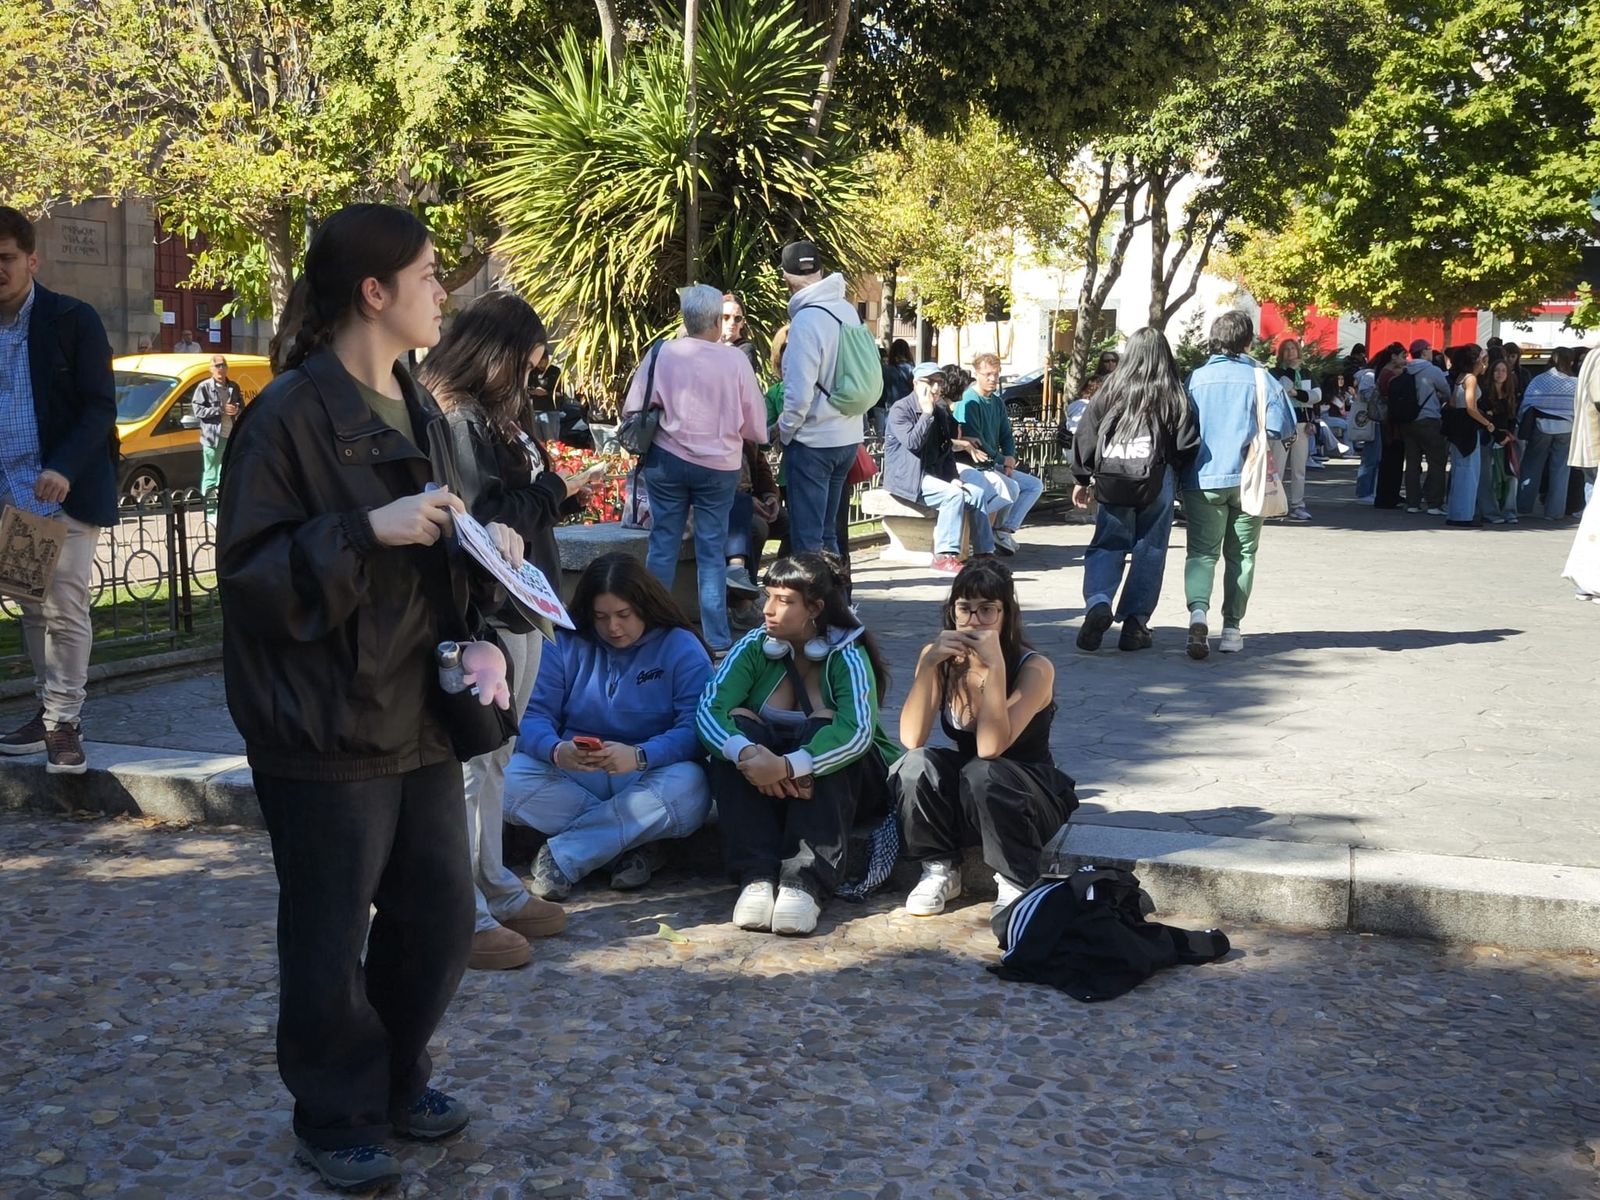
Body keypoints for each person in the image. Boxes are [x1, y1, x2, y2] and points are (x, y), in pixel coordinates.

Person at [216, 204, 530, 1191]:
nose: (446, 291)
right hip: (323, 722)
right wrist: (366, 530)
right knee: (326, 926)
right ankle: (334, 1109)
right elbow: (253, 575)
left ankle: (397, 1077)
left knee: (439, 915)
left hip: (418, 708)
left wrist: (488, 546)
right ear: (374, 292)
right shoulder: (286, 418)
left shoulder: (417, 401)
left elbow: (428, 541)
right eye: (432, 274)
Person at [419, 291, 607, 972]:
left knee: (495, 756)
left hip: (524, 603)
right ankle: (461, 902)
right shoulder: (462, 418)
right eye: (529, 365)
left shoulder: (495, 416)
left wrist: (555, 491)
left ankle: (492, 882)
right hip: (492, 608)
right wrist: (556, 490)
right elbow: (488, 517)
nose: (536, 377)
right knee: (475, 759)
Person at [698, 552, 900, 936]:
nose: (768, 610)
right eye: (768, 596)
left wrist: (791, 766)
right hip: (768, 786)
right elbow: (710, 709)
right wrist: (747, 754)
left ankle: (804, 882)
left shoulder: (848, 655)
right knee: (738, 726)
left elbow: (856, 733)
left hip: (850, 786)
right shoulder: (754, 647)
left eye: (784, 601)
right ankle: (756, 877)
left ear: (815, 608)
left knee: (825, 723)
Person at [504, 552, 714, 898]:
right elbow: (531, 715)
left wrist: (641, 755)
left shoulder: (680, 645)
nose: (613, 628)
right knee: (509, 776)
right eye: (601, 617)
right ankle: (628, 845)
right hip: (575, 771)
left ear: (646, 606)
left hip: (647, 772)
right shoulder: (564, 643)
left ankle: (563, 854)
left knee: (692, 784)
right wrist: (556, 750)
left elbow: (698, 727)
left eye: (623, 615)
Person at [0, 206, 117, 775]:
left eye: (5, 259)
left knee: (64, 605)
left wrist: (66, 467)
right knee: (31, 607)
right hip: (8, 491)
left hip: (59, 491)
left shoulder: (72, 319)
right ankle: (47, 711)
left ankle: (64, 724)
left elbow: (99, 408)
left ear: (31, 260)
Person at [891, 559, 1077, 917]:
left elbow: (991, 747)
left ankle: (1014, 879)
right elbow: (911, 738)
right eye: (965, 609)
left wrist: (994, 669)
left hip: (1027, 793)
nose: (974, 621)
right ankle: (938, 868)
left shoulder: (1035, 669)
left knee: (984, 769)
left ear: (1007, 614)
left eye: (987, 610)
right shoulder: (938, 659)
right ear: (952, 612)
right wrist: (930, 665)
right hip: (972, 789)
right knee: (915, 765)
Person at [623, 283, 767, 653]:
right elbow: (755, 423)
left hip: (667, 461)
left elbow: (635, 404)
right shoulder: (735, 360)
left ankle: (650, 628)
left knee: (663, 544)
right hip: (719, 466)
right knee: (711, 550)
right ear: (717, 322)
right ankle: (717, 638)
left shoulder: (663, 353)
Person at [1070, 327, 1200, 651]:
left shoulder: (1111, 387)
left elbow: (1086, 432)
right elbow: (1187, 442)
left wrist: (1082, 478)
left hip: (1114, 478)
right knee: (1150, 549)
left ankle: (1099, 602)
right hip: (1158, 478)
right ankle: (1135, 624)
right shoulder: (1174, 391)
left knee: (1107, 543)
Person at [1180, 310, 1295, 659]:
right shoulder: (1261, 379)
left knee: (1202, 552)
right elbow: (1283, 426)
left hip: (1203, 478)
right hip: (1250, 478)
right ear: (1247, 341)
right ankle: (1231, 629)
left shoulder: (1197, 379)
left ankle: (1198, 613)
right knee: (1242, 554)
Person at [776, 239, 867, 554]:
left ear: (786, 278)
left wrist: (785, 432)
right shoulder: (847, 311)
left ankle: (813, 602)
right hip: (848, 438)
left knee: (808, 541)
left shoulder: (805, 320)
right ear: (821, 270)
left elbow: (799, 393)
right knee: (830, 536)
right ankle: (837, 602)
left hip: (814, 441)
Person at [883, 361, 1000, 572]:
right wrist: (926, 414)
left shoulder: (940, 412)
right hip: (908, 479)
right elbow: (913, 444)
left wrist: (953, 477)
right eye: (930, 382)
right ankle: (944, 556)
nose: (936, 388)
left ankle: (984, 553)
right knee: (953, 496)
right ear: (916, 383)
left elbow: (945, 451)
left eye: (939, 382)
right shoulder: (901, 409)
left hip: (932, 476)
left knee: (976, 493)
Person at [955, 351, 1044, 554]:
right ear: (976, 373)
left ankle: (1003, 530)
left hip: (996, 462)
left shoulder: (997, 402)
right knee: (1009, 487)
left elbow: (1006, 434)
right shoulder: (969, 400)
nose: (992, 378)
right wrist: (1002, 460)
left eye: (995, 373)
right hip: (977, 463)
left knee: (1033, 485)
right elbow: (977, 440)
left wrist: (1010, 457)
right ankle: (986, 537)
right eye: (987, 374)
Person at [1517, 346, 1579, 520]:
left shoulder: (1540, 380)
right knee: (1561, 470)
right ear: (1571, 361)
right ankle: (1554, 512)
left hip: (1541, 425)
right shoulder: (1575, 383)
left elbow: (1527, 404)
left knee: (1532, 465)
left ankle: (1523, 506)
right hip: (1567, 427)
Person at [1399, 338, 1453, 514]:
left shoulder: (1404, 370)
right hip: (1429, 420)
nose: (1432, 352)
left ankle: (1413, 503)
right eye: (1430, 349)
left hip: (1407, 421)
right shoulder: (1432, 370)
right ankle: (1434, 504)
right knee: (1437, 462)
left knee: (1412, 464)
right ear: (1424, 352)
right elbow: (1447, 391)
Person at [1442, 344, 1493, 528]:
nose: (1485, 364)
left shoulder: (1460, 377)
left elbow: (1454, 403)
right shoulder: (1471, 378)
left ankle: (1457, 513)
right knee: (1469, 472)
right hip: (1468, 429)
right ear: (1477, 360)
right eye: (1483, 360)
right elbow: (1471, 408)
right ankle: (1464, 515)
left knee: (1460, 470)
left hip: (1458, 430)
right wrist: (1487, 423)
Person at [1269, 339, 1316, 521]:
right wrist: (1290, 372)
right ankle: (1275, 505)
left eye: (1293, 349)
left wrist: (1299, 396)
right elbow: (1282, 387)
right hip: (1282, 424)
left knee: (1299, 468)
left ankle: (1297, 504)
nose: (1290, 352)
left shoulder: (1306, 373)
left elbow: (1315, 396)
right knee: (1278, 466)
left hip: (1302, 424)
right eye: (1286, 349)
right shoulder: (1275, 372)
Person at [192, 354, 243, 501]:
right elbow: (198, 411)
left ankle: (223, 507)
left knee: (226, 473)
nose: (221, 369)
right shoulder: (204, 387)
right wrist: (221, 410)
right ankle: (210, 511)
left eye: (224, 365)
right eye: (218, 366)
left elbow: (242, 406)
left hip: (231, 436)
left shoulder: (233, 386)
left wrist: (237, 410)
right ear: (211, 369)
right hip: (213, 438)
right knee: (211, 474)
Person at [1477, 357, 1519, 523]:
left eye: (1503, 370)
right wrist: (1497, 434)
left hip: (1507, 439)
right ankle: (1490, 512)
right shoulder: (1484, 393)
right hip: (1488, 438)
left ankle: (1509, 510)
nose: (1500, 374)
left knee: (1511, 475)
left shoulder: (1510, 394)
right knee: (1487, 477)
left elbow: (1511, 417)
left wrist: (1508, 435)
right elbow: (1484, 416)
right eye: (1496, 370)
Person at [1373, 342, 1409, 509]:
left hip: (1389, 422)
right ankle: (1388, 496)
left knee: (1391, 459)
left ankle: (1389, 495)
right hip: (1391, 423)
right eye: (1403, 356)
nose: (1405, 360)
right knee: (1392, 460)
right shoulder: (1389, 375)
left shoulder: (1385, 372)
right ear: (1393, 357)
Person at [872, 337, 915, 438]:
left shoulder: (885, 370)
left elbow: (881, 393)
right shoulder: (913, 370)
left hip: (891, 410)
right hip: (910, 410)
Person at [721, 292, 759, 376]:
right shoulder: (708, 345)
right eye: (726, 317)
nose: (732, 322)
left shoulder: (746, 350)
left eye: (737, 318)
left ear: (742, 323)